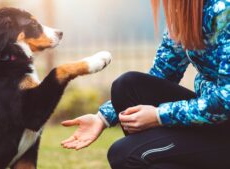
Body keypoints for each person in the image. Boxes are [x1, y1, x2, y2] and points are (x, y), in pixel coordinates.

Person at [61, 0, 230, 169]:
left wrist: (159, 115)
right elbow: (162, 73)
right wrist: (102, 118)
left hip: (224, 127)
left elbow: (225, 102)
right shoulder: (186, 15)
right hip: (214, 124)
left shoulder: (225, 11)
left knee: (124, 154)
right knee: (127, 86)